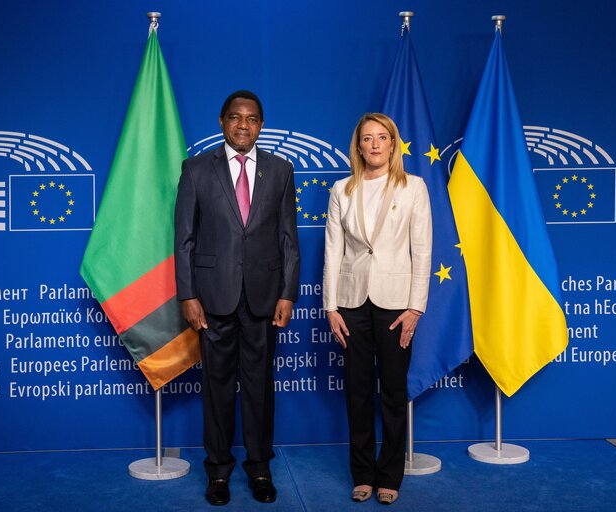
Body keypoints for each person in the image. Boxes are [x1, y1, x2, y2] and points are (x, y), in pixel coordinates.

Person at [174, 90, 300, 506]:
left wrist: (287, 293)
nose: (243, 125)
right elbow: (184, 241)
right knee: (217, 388)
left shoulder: (281, 170)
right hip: (213, 299)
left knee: (261, 389)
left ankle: (260, 468)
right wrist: (188, 295)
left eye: (251, 118)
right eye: (235, 117)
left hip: (264, 299)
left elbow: (288, 239)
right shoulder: (195, 169)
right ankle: (218, 472)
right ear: (222, 122)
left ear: (261, 125)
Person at [322, 113, 432, 505]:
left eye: (381, 137)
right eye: (366, 138)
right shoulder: (342, 190)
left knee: (393, 391)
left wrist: (415, 308)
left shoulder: (414, 187)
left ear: (393, 144)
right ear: (358, 146)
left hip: (396, 305)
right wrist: (330, 307)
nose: (373, 145)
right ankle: (362, 473)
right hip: (351, 304)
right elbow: (333, 250)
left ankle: (390, 475)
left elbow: (422, 250)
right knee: (357, 391)